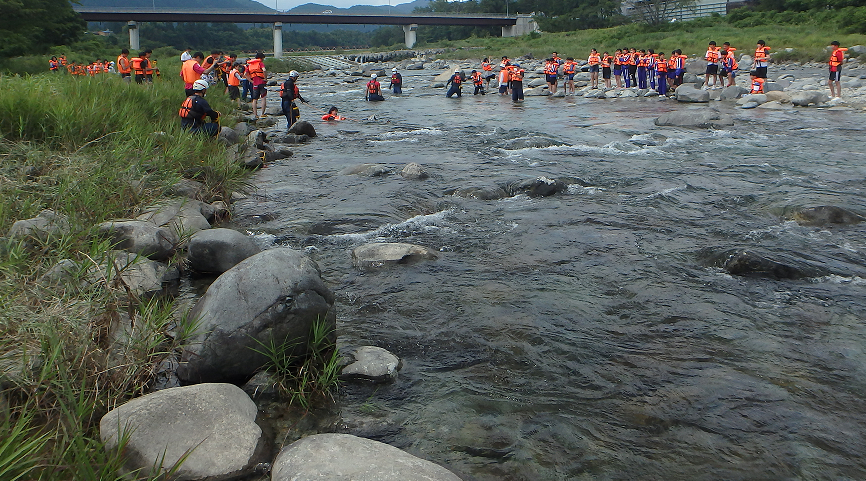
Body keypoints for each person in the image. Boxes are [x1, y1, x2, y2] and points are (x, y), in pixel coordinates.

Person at [247, 52, 268, 118]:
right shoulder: (260, 63)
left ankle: (255, 115)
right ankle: (262, 114)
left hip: (255, 84)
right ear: (261, 58)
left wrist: (251, 81)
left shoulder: (250, 65)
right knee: (263, 98)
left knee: (254, 99)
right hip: (261, 83)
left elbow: (245, 74)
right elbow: (264, 70)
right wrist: (265, 78)